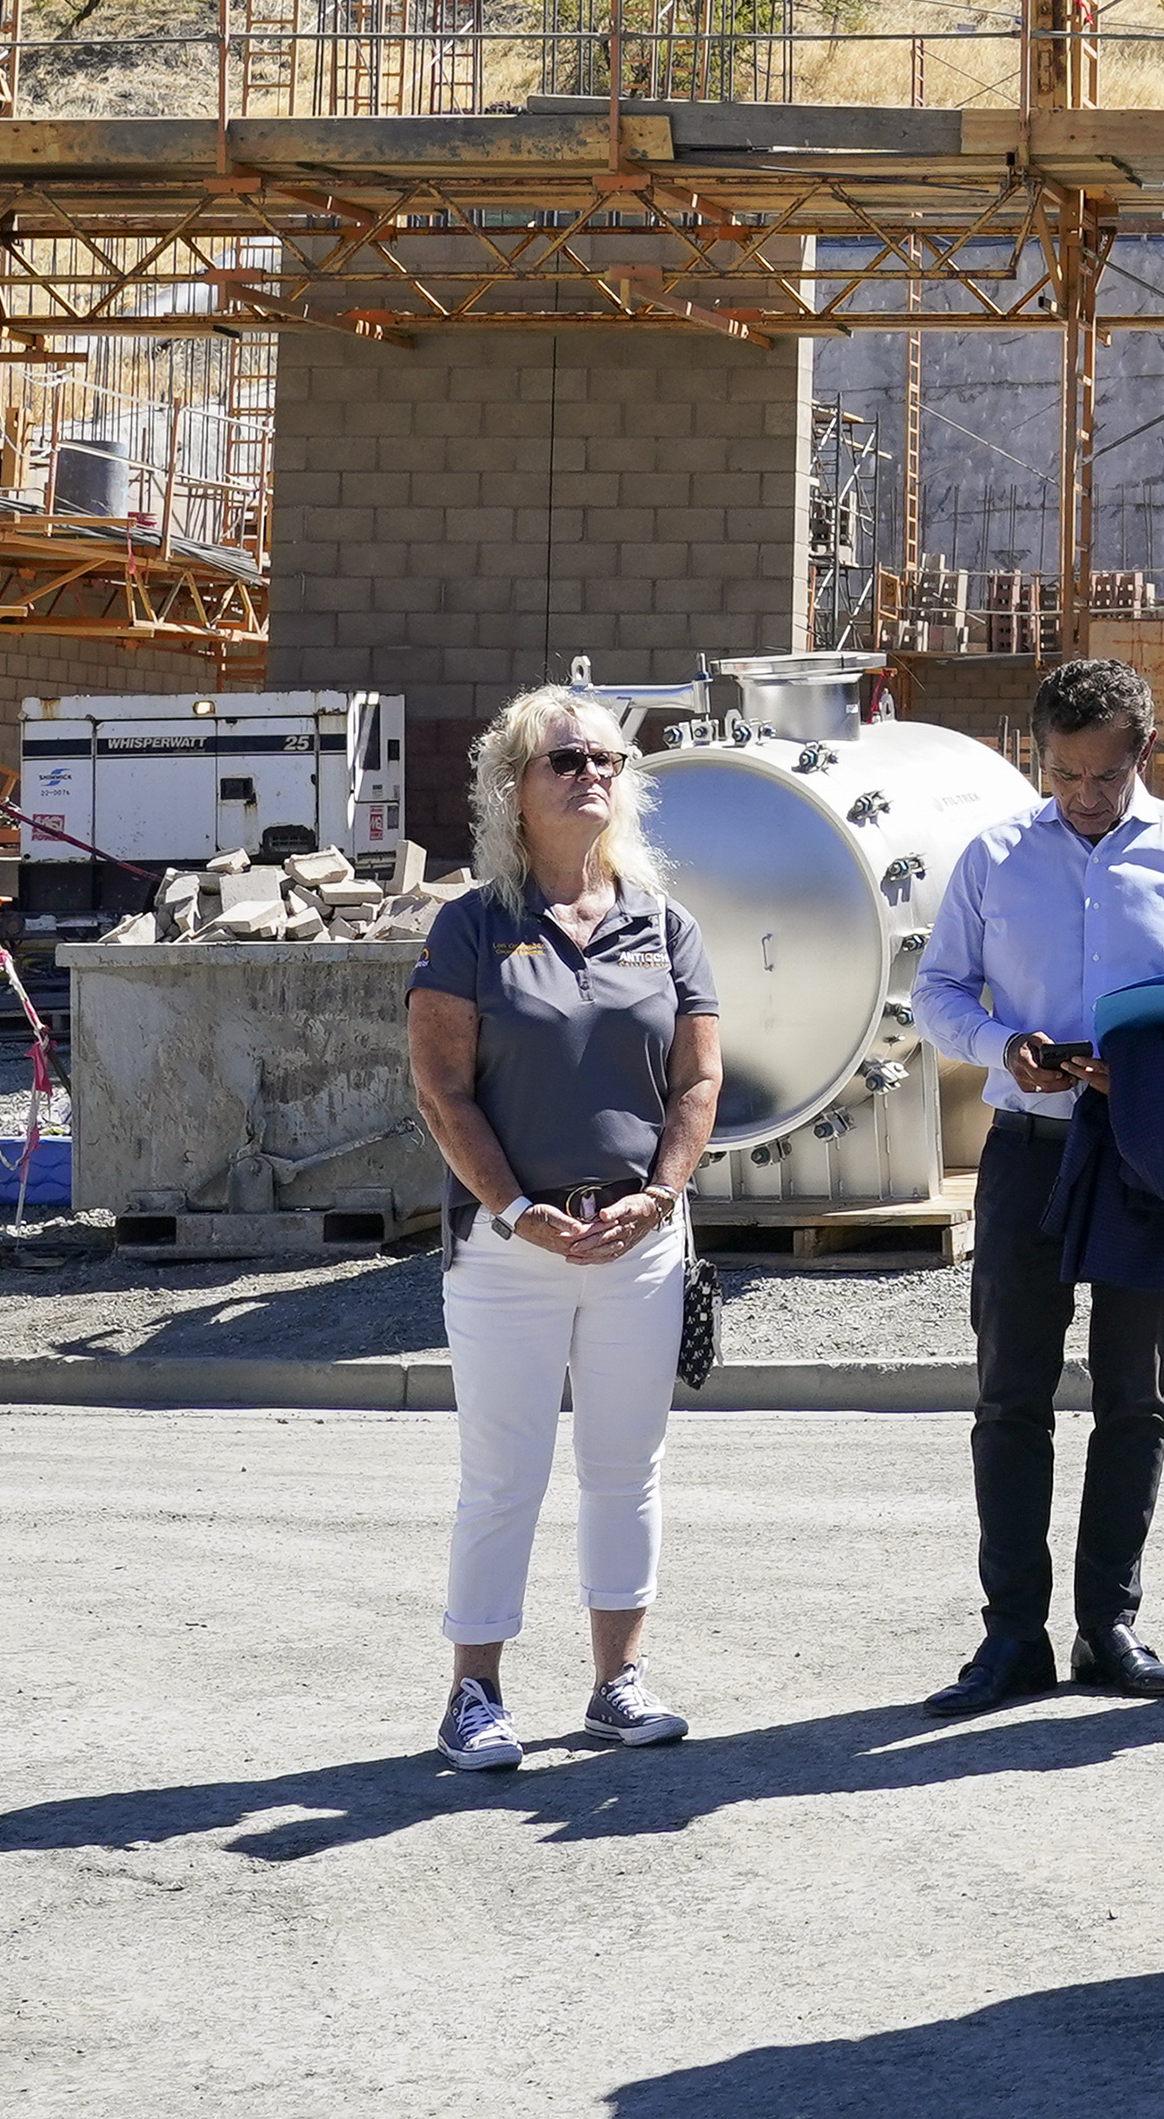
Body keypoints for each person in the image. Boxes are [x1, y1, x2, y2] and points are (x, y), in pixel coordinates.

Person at [907, 656, 1164, 1709]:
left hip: (1140, 1151)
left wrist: (1158, 1070)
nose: (1079, 797)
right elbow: (936, 988)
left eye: (1100, 777)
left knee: (1133, 1396)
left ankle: (1109, 1627)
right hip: (1027, 1147)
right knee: (1010, 1394)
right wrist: (997, 1042)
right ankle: (1010, 1635)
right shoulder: (996, 855)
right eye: (1060, 775)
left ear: (1140, 756)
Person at [404, 686, 721, 1776]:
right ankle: (473, 1695)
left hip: (638, 1241)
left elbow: (699, 1076)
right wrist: (511, 1207)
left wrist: (661, 1195)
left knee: (625, 1466)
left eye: (607, 757)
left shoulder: (661, 922)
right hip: (508, 1248)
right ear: (513, 788)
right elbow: (442, 1089)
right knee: (503, 1473)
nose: (592, 772)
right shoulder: (470, 925)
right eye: (565, 758)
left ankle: (615, 1684)